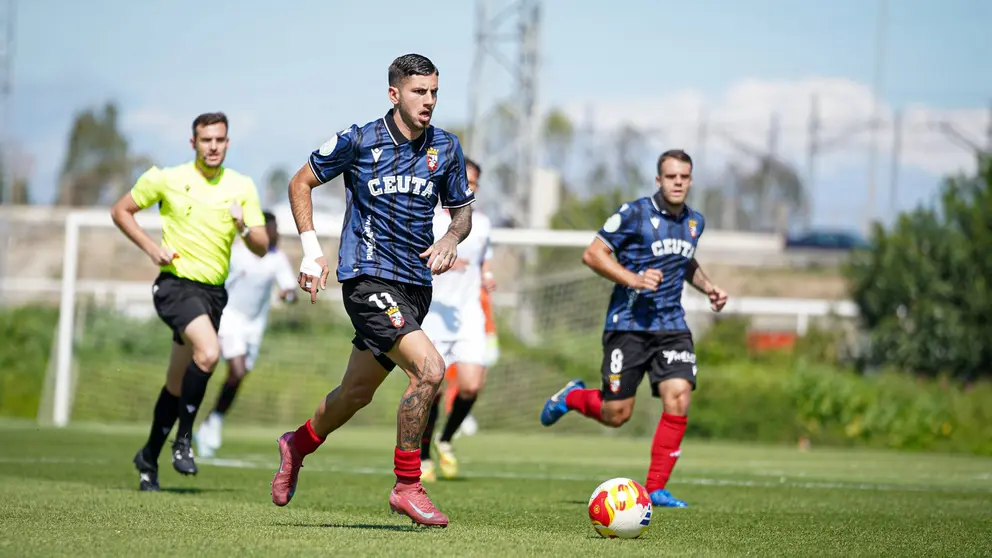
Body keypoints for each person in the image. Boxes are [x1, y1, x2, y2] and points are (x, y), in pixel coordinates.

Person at [270, 53, 474, 528]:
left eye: (434, 92)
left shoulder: (445, 147)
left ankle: (295, 444)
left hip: (415, 288)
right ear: (394, 93)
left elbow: (462, 211)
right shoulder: (359, 140)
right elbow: (300, 182)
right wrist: (310, 251)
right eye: (419, 92)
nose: (428, 101)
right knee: (429, 370)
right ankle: (407, 485)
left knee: (354, 394)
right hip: (366, 280)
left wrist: (449, 237)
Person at [539, 149, 728, 509]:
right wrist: (634, 279)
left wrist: (709, 287)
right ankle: (572, 397)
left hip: (671, 326)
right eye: (670, 176)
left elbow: (686, 263)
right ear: (658, 180)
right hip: (628, 326)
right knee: (616, 414)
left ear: (690, 180)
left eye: (684, 177)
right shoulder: (634, 214)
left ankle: (656, 488)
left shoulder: (694, 223)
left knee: (679, 396)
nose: (677, 182)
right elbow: (593, 254)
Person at [110, 112, 269, 492]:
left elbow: (262, 246)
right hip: (175, 287)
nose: (213, 146)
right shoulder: (167, 179)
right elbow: (121, 211)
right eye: (205, 140)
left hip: (213, 295)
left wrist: (242, 226)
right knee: (210, 353)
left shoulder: (241, 186)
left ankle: (148, 456)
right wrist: (151, 248)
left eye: (219, 140)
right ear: (193, 143)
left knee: (175, 383)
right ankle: (184, 440)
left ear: (227, 143)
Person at [194, 211, 298, 458]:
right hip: (229, 317)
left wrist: (288, 295)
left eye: (276, 229)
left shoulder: (277, 259)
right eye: (271, 229)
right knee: (237, 369)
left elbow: (291, 291)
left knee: (238, 376)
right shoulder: (238, 253)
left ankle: (212, 421)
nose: (275, 234)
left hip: (255, 325)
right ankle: (204, 419)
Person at [418, 157, 496, 482]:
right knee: (430, 388)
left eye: (473, 183)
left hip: (468, 315)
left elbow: (484, 262)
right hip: (434, 314)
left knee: (471, 385)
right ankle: (422, 457)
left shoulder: (484, 224)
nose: (468, 187)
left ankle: (446, 438)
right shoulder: (429, 219)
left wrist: (487, 276)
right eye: (463, 180)